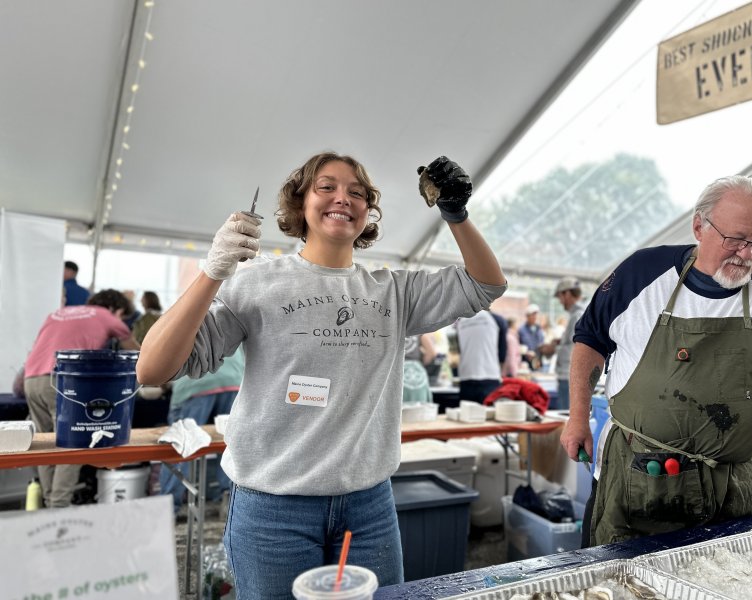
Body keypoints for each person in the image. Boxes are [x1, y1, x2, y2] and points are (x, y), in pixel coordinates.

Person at [135, 152, 505, 596]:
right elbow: (152, 368)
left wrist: (456, 214)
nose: (342, 198)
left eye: (357, 192)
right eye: (326, 187)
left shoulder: (393, 290)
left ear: (369, 211)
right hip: (272, 507)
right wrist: (212, 272)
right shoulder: (256, 284)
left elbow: (486, 284)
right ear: (300, 203)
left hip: (368, 507)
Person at [560, 175, 752, 546]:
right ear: (699, 226)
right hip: (637, 485)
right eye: (737, 239)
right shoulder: (641, 275)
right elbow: (590, 339)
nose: (748, 254)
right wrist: (578, 416)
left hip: (733, 496)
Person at [23, 289, 140, 508]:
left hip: (31, 379)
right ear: (119, 310)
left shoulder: (59, 313)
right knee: (72, 443)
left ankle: (50, 502)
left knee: (46, 442)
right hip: (63, 381)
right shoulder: (107, 316)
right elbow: (136, 352)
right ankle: (58, 507)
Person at [159, 348, 245, 513]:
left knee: (180, 445)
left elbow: (161, 360)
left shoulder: (179, 321)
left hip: (194, 383)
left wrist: (163, 382)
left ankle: (168, 509)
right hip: (233, 380)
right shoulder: (231, 320)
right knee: (229, 445)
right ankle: (229, 501)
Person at [538, 276, 588, 410]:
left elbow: (575, 347)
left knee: (565, 418)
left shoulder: (577, 315)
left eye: (560, 297)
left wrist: (553, 348)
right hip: (571, 375)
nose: (560, 302)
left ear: (567, 293)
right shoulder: (579, 314)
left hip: (569, 376)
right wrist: (559, 342)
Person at [456, 309, 508, 403]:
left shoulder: (459, 322)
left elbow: (458, 351)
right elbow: (502, 354)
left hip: (466, 379)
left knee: (466, 416)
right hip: (490, 378)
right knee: (490, 415)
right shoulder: (498, 320)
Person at [518, 304, 544, 370]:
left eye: (536, 314)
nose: (535, 317)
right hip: (525, 365)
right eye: (533, 315)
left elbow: (542, 343)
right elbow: (517, 346)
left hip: (538, 364)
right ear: (527, 316)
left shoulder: (540, 329)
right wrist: (526, 353)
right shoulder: (521, 330)